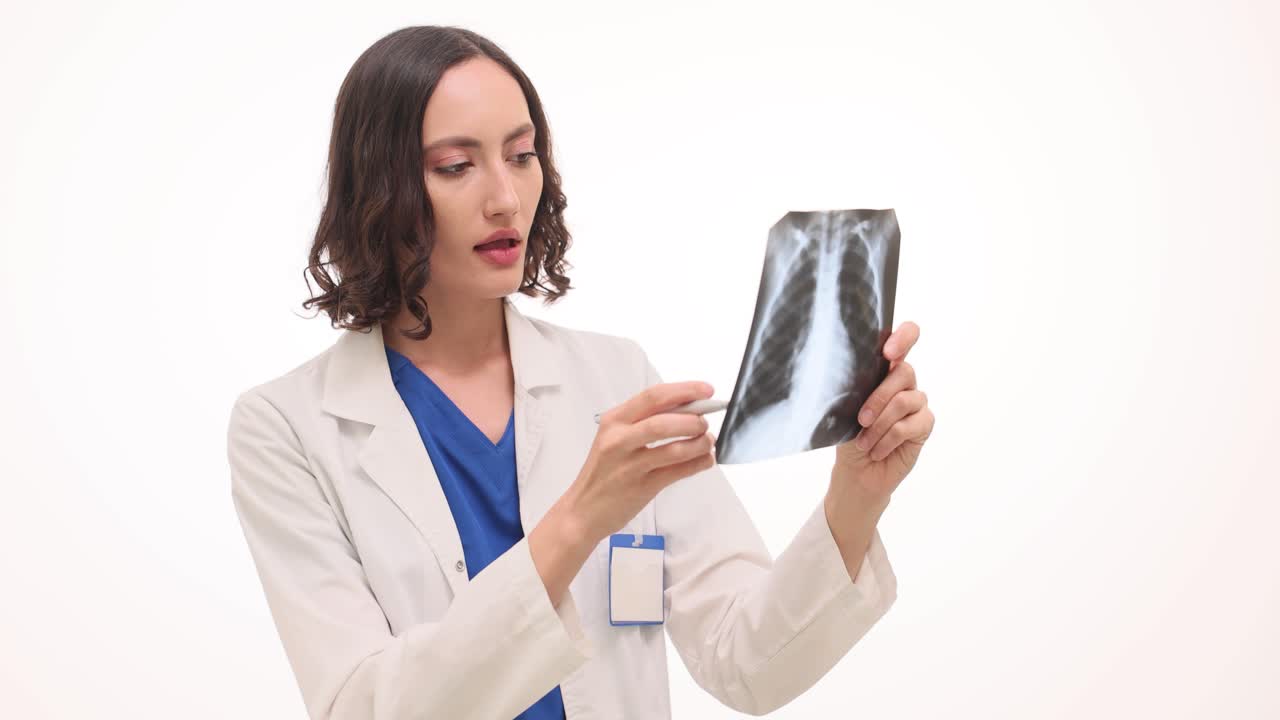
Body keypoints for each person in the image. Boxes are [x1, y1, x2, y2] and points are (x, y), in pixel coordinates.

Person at [226, 25, 935, 720]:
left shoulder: (615, 376)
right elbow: (363, 707)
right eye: (455, 165)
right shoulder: (288, 429)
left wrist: (856, 499)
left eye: (522, 154)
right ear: (378, 189)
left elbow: (745, 664)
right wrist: (580, 519)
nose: (505, 197)